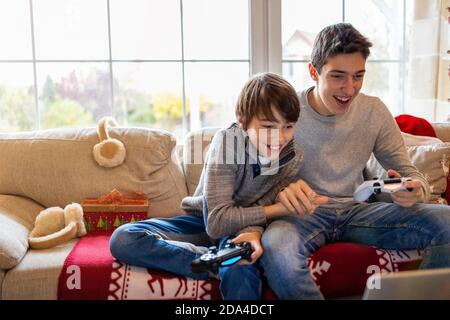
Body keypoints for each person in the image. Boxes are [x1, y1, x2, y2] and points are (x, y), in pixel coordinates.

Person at [258, 23, 450, 300]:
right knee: (276, 246)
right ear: (314, 71)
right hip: (301, 216)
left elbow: (410, 173)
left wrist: (415, 190)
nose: (350, 88)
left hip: (357, 212)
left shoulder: (374, 111)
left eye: (358, 76)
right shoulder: (285, 111)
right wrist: (278, 191)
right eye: (338, 76)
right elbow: (253, 177)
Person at [109, 72, 315, 299]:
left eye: (287, 126)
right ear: (243, 120)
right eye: (268, 126)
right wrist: (280, 209)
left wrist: (251, 231)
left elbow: (260, 209)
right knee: (125, 238)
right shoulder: (227, 143)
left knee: (240, 269)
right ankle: (215, 260)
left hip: (243, 229)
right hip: (203, 219)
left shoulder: (292, 157)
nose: (280, 137)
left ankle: (223, 258)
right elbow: (216, 223)